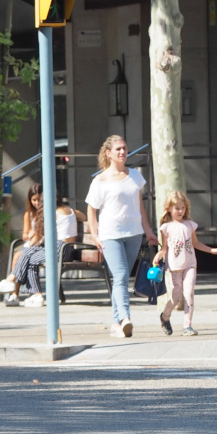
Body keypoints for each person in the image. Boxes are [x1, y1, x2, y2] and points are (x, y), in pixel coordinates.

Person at [86, 135, 156, 338]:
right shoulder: (100, 180)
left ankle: (116, 324)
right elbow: (91, 209)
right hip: (110, 235)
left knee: (122, 278)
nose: (122, 152)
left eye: (124, 148)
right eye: (118, 149)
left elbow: (140, 206)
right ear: (108, 153)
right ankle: (125, 318)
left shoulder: (134, 175)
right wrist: (94, 234)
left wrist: (148, 230)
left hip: (133, 233)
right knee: (121, 275)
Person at [0, 186, 83, 307]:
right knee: (31, 259)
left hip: (60, 249)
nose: (39, 203)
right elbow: (82, 217)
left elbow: (40, 236)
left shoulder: (53, 213)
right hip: (67, 249)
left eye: (42, 200)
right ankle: (36, 295)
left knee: (28, 253)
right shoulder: (67, 209)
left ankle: (11, 280)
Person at [153, 190, 217, 336]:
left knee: (189, 293)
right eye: (176, 208)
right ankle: (165, 316)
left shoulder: (190, 225)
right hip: (174, 267)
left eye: (182, 208)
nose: (180, 211)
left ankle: (187, 325)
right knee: (176, 296)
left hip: (190, 264)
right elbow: (164, 248)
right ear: (169, 208)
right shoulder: (166, 227)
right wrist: (159, 255)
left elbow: (195, 243)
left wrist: (211, 250)